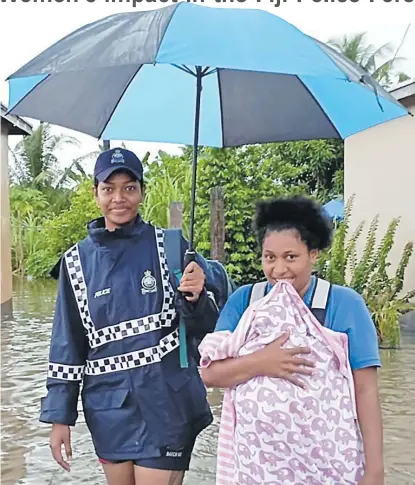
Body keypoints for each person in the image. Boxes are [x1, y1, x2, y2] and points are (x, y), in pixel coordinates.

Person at [40, 147, 220, 485]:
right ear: (95, 194)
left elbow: (209, 327)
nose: (119, 198)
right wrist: (59, 418)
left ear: (142, 191)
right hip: (109, 407)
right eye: (109, 189)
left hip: (168, 402)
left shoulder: (171, 247)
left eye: (129, 187)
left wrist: (197, 297)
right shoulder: (76, 262)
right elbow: (67, 344)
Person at [200, 195, 384, 485]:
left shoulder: (344, 304)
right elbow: (210, 373)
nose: (279, 269)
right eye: (269, 257)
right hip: (258, 464)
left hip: (328, 463)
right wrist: (262, 362)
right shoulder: (245, 301)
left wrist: (374, 471)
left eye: (291, 257)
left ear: (314, 254)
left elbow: (365, 391)